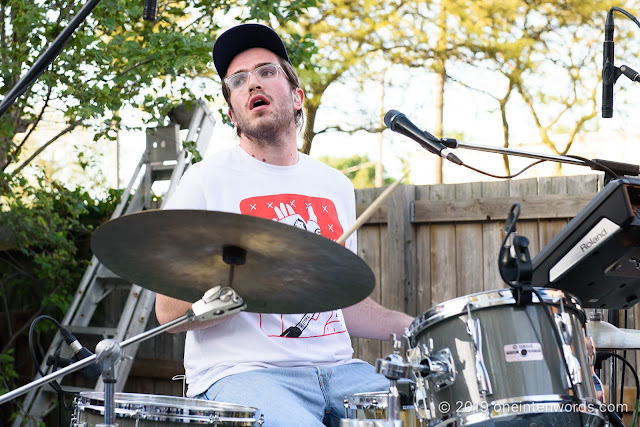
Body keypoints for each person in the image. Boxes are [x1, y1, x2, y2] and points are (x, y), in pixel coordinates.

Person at [155, 23, 414, 427]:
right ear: (232, 112)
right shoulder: (206, 180)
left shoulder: (335, 186)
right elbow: (168, 311)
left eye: (266, 72)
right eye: (237, 81)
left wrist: (413, 327)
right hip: (243, 373)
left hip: (341, 371)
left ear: (297, 97)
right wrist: (258, 282)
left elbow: (344, 306)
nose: (251, 83)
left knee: (419, 417)